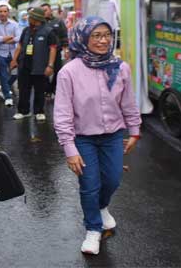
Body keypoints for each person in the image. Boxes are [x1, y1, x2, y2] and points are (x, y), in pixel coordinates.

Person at [53, 16, 141, 255]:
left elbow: (129, 102)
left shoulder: (120, 67)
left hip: (113, 135)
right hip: (83, 138)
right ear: (83, 38)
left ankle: (102, 207)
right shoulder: (69, 72)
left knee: (113, 179)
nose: (103, 41)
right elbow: (62, 113)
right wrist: (69, 149)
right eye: (96, 36)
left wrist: (134, 130)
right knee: (89, 184)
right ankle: (93, 228)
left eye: (107, 35)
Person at [10, 7, 57, 122]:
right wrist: (14, 59)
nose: (28, 18)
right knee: (23, 89)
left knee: (39, 90)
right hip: (25, 65)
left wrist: (50, 65)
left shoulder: (48, 31)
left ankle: (39, 111)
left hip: (40, 66)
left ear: (36, 19)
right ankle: (23, 111)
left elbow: (53, 48)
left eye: (30, 17)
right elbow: (20, 45)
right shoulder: (26, 30)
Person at [0, 5, 21, 107]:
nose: (2, 13)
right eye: (0, 11)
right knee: (3, 75)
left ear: (8, 13)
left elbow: (19, 37)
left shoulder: (14, 24)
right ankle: (8, 97)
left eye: (5, 11)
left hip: (14, 53)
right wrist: (4, 39)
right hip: (1, 53)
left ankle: (6, 88)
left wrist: (6, 40)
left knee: (15, 74)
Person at [42, 3, 69, 97]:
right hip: (44, 52)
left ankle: (53, 88)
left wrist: (66, 50)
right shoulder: (41, 23)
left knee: (58, 70)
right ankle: (47, 90)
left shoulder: (58, 21)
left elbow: (64, 36)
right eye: (42, 10)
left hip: (57, 51)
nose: (44, 12)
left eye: (46, 10)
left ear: (50, 10)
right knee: (43, 71)